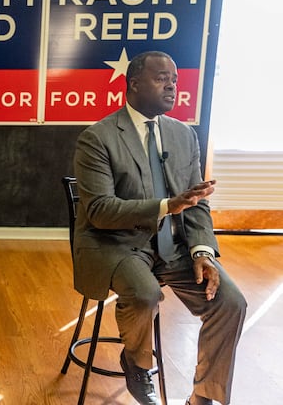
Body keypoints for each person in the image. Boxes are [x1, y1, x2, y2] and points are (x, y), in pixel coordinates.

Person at [72, 51, 247, 405]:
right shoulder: (98, 137)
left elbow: (197, 205)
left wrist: (202, 251)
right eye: (161, 78)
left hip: (174, 247)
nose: (171, 86)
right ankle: (136, 362)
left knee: (231, 302)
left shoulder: (184, 136)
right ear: (134, 83)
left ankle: (203, 396)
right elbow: (100, 211)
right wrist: (169, 206)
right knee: (145, 293)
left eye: (175, 80)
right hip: (116, 244)